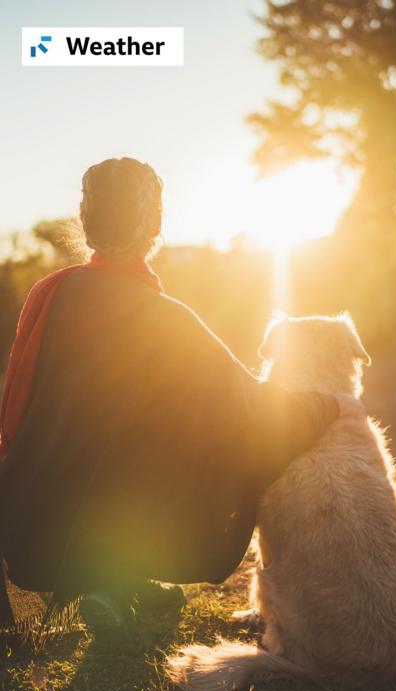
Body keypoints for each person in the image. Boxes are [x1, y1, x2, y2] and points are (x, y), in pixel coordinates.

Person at [0, 157, 363, 633]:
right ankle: (116, 571)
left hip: (35, 519)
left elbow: (15, 412)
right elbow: (254, 417)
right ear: (155, 225)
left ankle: (122, 579)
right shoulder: (168, 319)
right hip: (121, 516)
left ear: (87, 220)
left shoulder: (49, 293)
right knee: (205, 434)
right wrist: (329, 404)